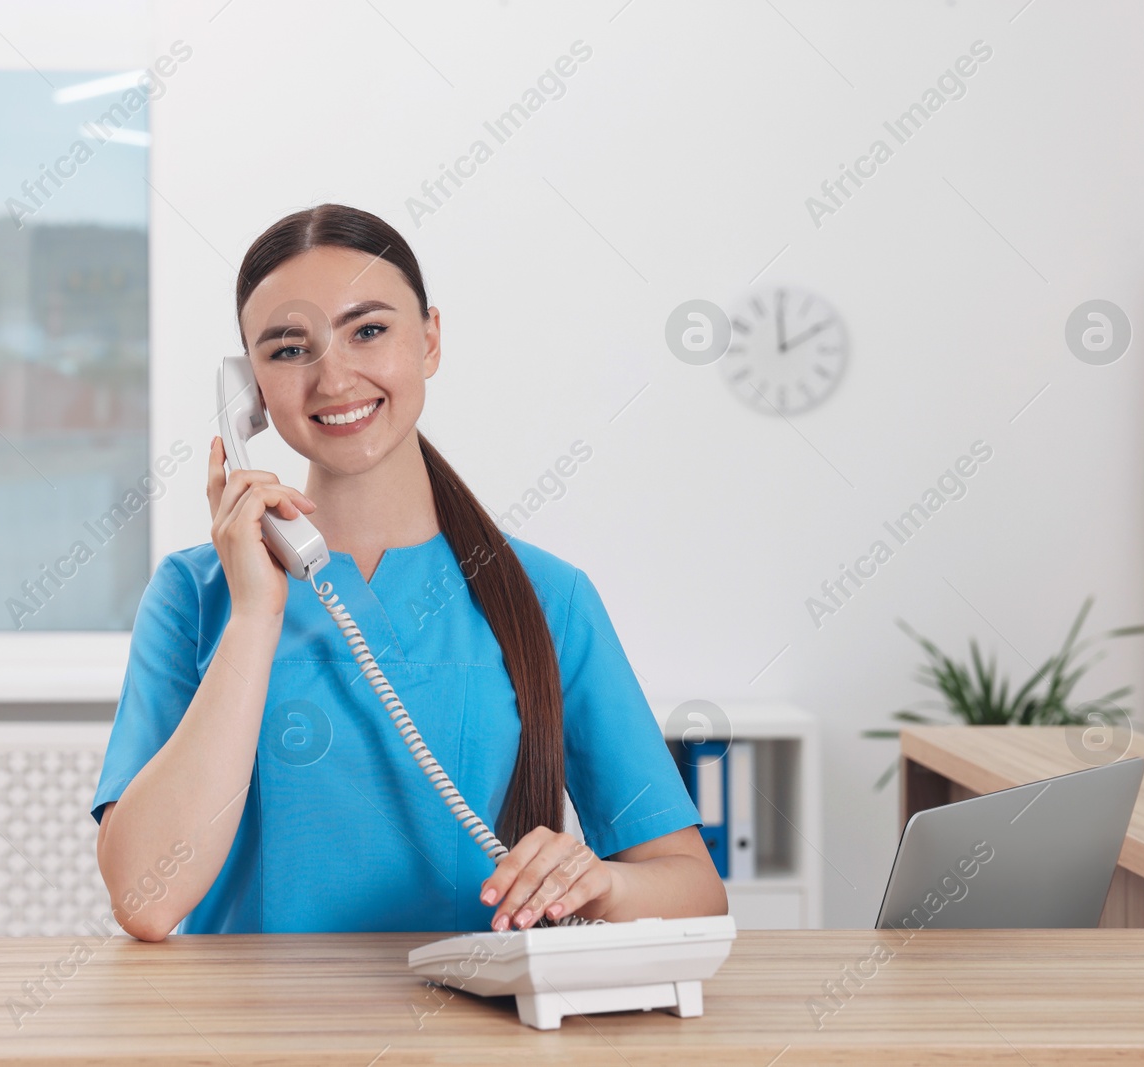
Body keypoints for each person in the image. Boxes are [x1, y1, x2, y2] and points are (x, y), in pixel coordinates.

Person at [91, 203, 725, 938]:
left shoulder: (550, 598)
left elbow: (694, 890)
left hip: (480, 1038)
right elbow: (144, 898)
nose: (333, 378)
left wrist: (600, 882)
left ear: (429, 339)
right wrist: (257, 615)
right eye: (290, 350)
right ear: (250, 391)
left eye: (369, 330)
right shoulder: (194, 598)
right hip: (253, 1040)